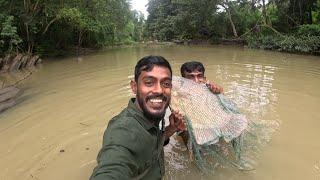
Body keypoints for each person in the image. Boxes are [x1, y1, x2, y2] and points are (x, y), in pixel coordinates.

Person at [90, 55, 185, 180]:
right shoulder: (123, 130)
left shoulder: (149, 116)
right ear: (134, 86)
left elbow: (152, 141)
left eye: (166, 83)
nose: (159, 90)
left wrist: (171, 129)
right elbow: (111, 169)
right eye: (149, 82)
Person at [178, 61, 223, 146]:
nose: (196, 80)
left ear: (204, 78)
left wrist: (218, 90)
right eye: (190, 77)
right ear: (182, 80)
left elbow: (221, 94)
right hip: (190, 131)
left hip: (210, 127)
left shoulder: (209, 88)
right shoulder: (178, 95)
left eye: (199, 76)